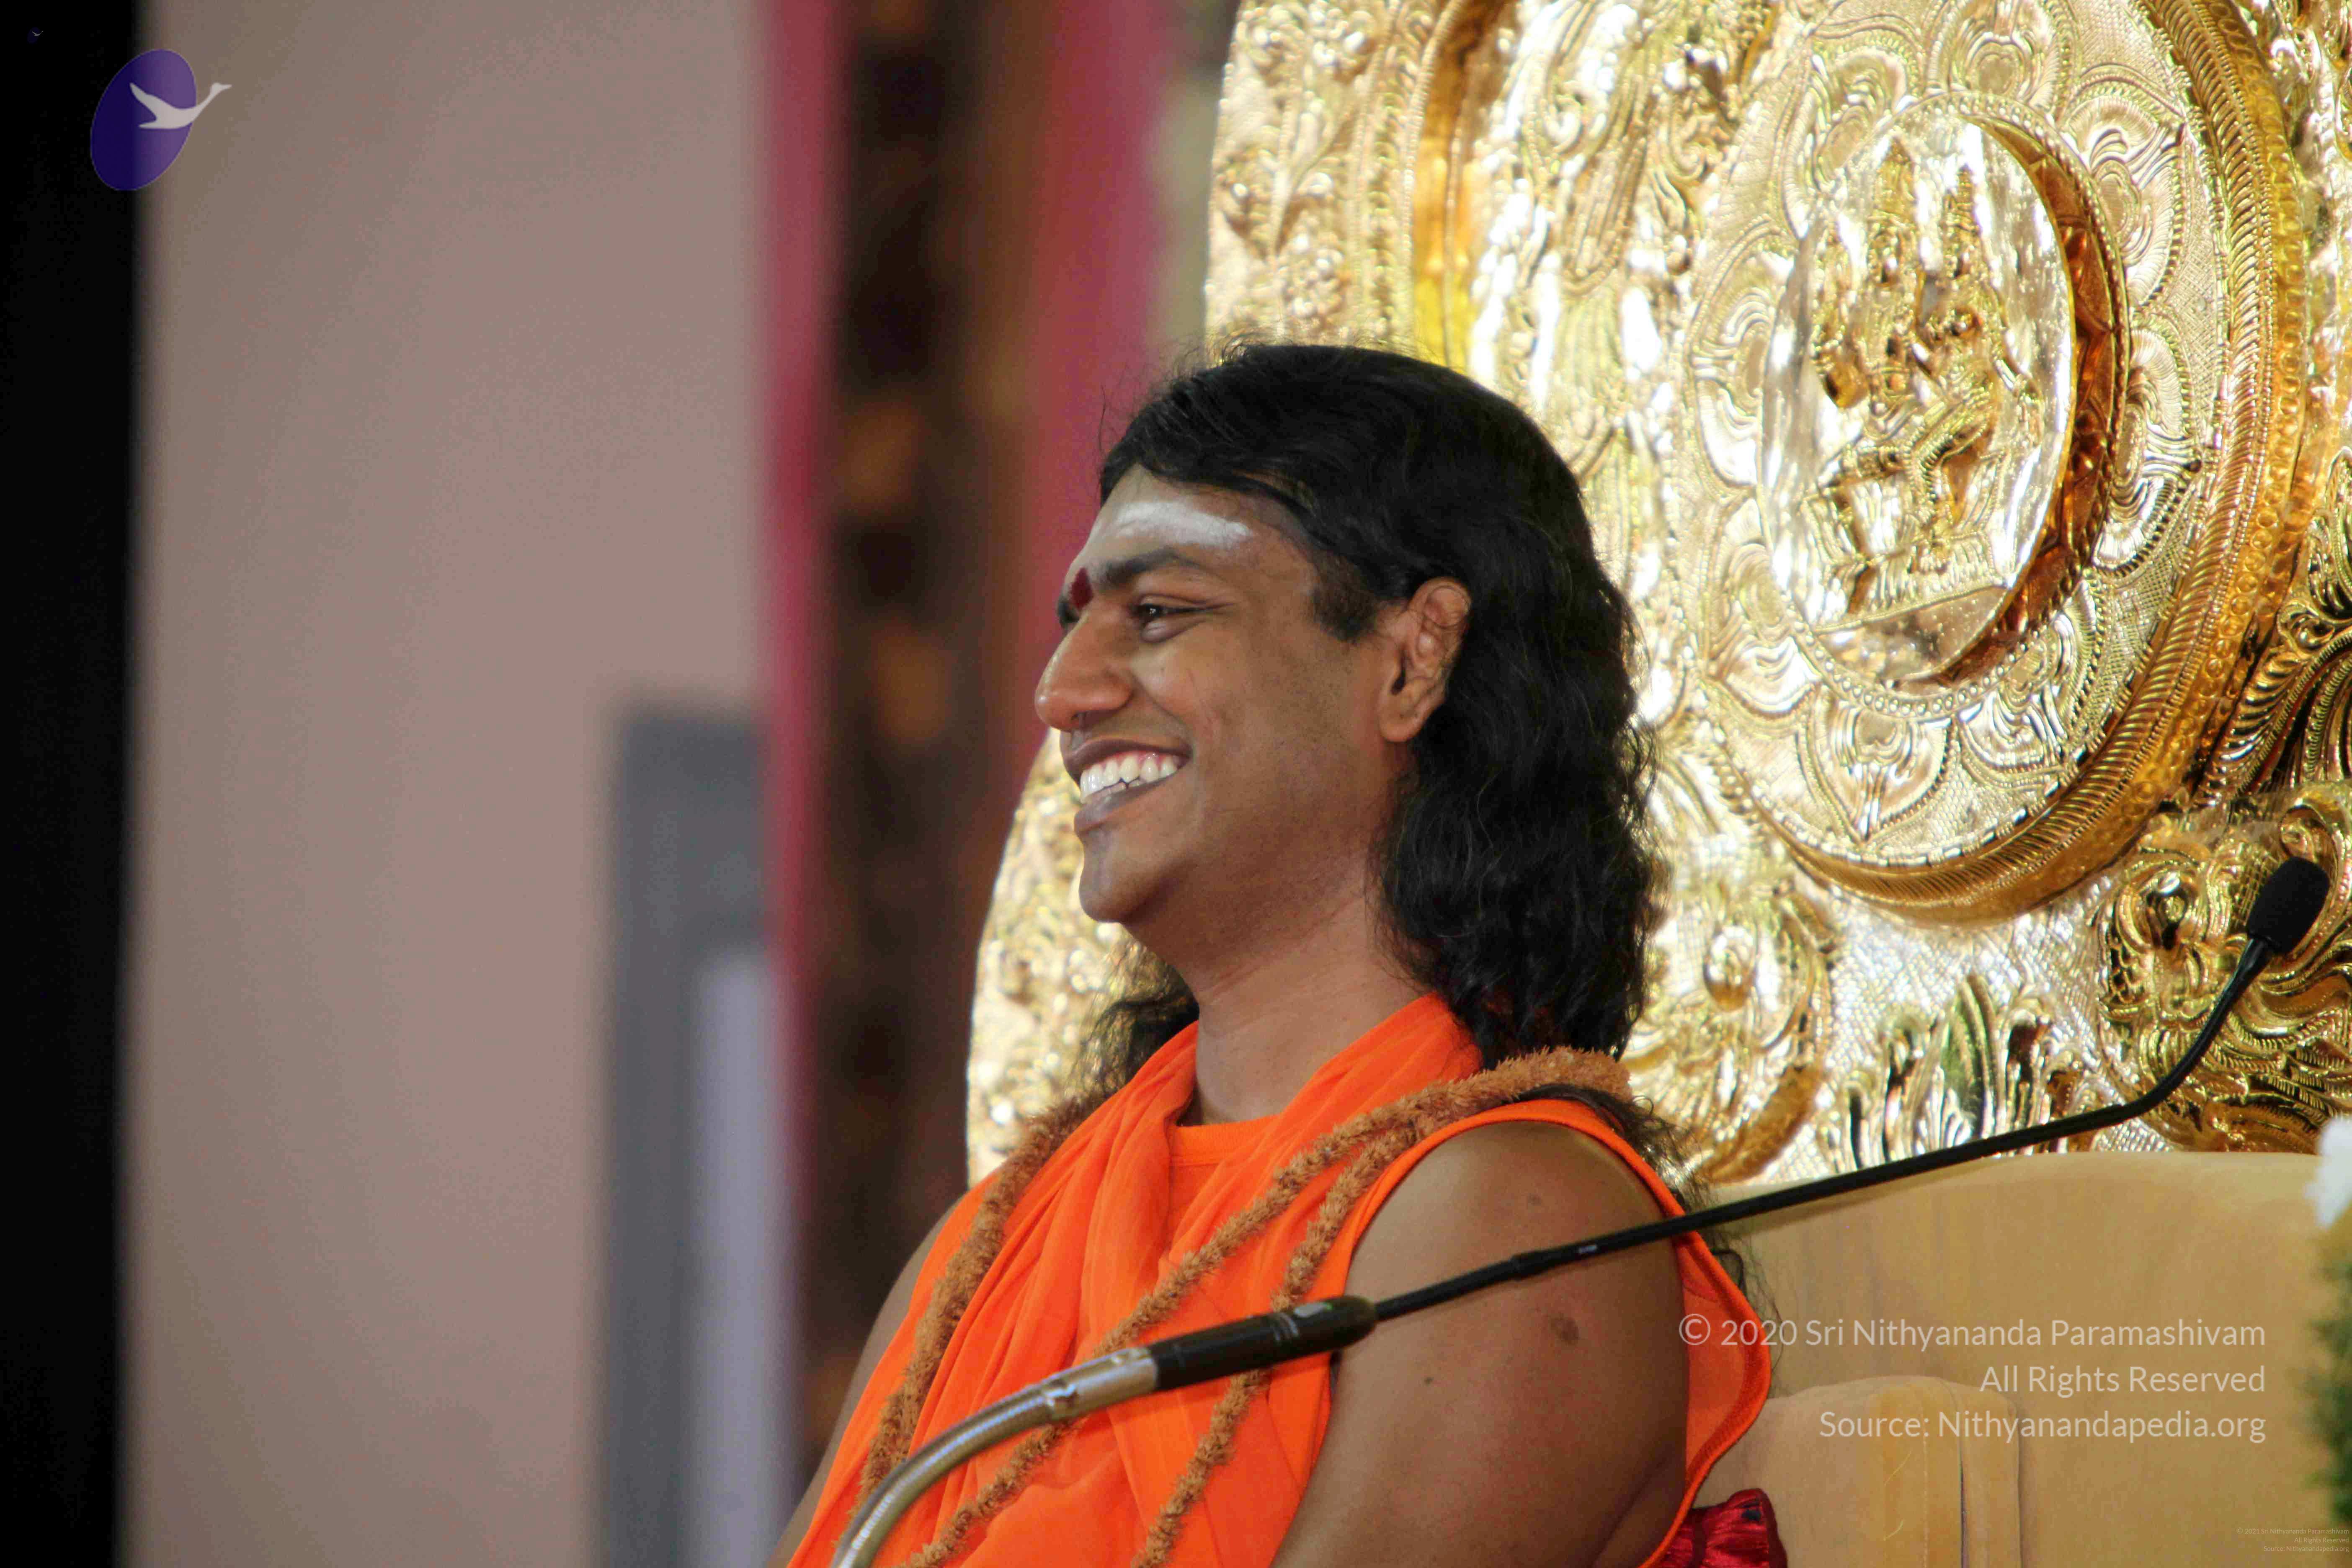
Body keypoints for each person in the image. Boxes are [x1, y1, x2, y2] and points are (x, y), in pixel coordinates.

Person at [774, 343, 1772, 1568]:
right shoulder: (990, 1244)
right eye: (1075, 622)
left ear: (1412, 660)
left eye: (1158, 612)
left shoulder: (1514, 1216)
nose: (1062, 692)